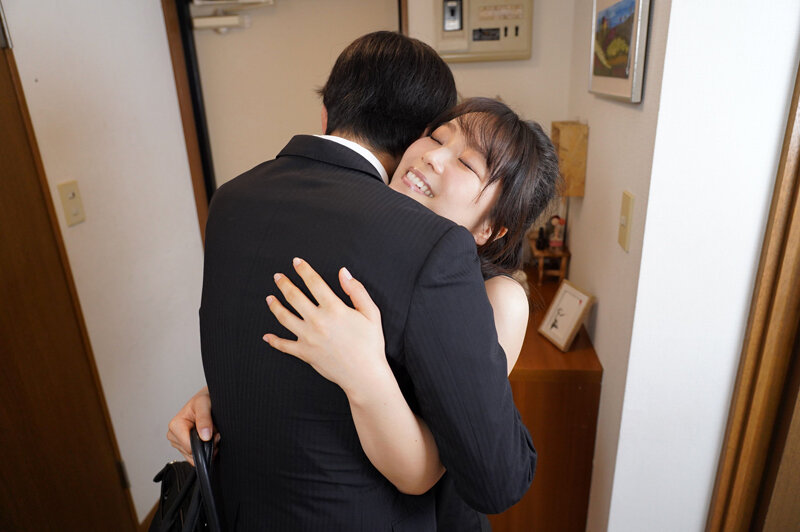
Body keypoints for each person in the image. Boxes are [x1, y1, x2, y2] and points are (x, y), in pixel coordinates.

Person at [174, 32, 540, 531]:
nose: (433, 157)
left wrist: (364, 371)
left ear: (491, 229)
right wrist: (217, 395)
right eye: (436, 137)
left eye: (467, 162)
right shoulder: (388, 244)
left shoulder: (493, 293)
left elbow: (446, 469)